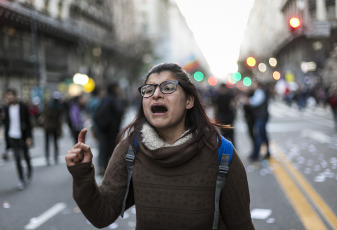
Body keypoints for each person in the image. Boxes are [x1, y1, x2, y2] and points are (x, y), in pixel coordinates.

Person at [65, 63, 254, 230]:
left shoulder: (222, 154)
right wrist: (82, 174)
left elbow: (242, 225)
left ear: (189, 100)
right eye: (148, 90)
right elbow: (102, 215)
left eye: (168, 87)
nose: (156, 94)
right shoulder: (130, 149)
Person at [3, 88, 33, 190]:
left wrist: (29, 137)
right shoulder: (6, 108)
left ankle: (29, 170)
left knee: (26, 155)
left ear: (16, 96)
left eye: (11, 96)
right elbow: (5, 123)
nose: (10, 99)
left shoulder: (23, 107)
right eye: (8, 97)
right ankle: (21, 179)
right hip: (12, 136)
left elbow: (29, 123)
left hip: (23, 136)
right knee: (17, 158)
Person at [93, 82, 125, 176]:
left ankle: (102, 167)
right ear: (114, 89)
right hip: (111, 130)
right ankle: (109, 169)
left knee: (103, 149)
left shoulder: (104, 99)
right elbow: (119, 111)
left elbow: (96, 115)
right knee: (111, 150)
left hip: (103, 129)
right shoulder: (113, 99)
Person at [246, 81, 271, 161]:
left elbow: (255, 102)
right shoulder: (259, 92)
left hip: (261, 116)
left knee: (259, 135)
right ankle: (267, 152)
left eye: (254, 84)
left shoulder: (259, 92)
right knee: (263, 134)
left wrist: (247, 101)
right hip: (261, 116)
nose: (252, 86)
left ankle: (256, 154)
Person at [40, 92, 64, 165]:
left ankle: (49, 157)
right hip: (53, 127)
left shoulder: (49, 105)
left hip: (49, 126)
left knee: (49, 142)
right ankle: (53, 157)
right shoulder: (58, 107)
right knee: (54, 142)